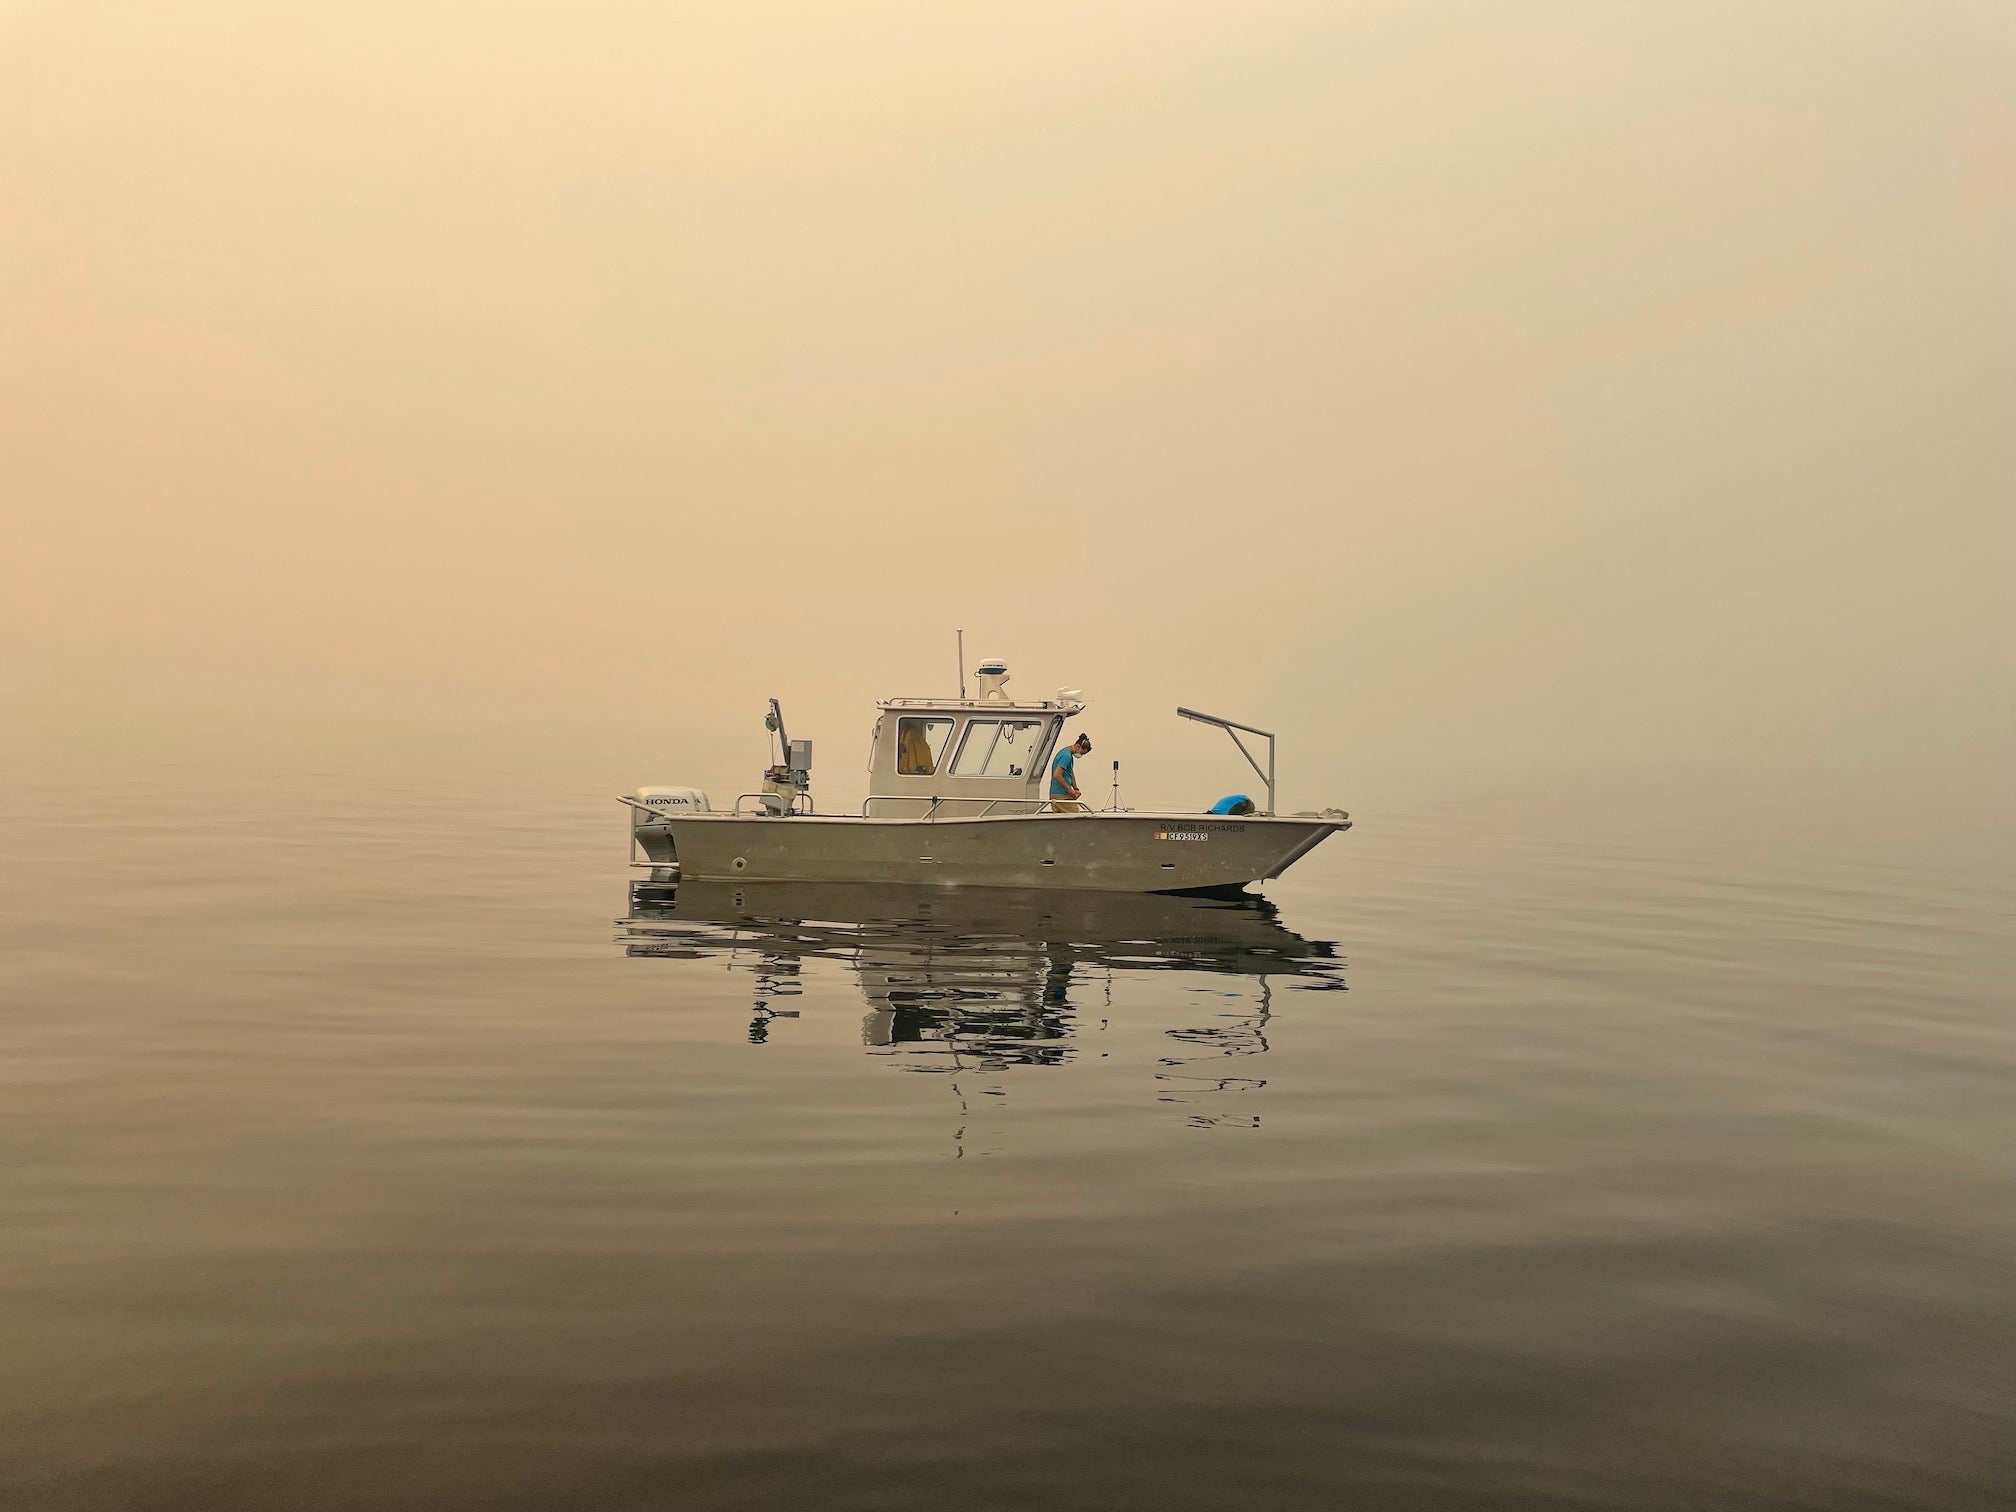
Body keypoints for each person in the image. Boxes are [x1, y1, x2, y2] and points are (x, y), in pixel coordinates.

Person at [1049, 732, 1092, 812]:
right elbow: (1057, 775)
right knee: (1075, 816)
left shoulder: (1066, 754)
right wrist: (1070, 791)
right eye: (1082, 753)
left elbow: (1070, 773)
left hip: (1060, 793)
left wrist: (1075, 788)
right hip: (1061, 794)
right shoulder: (1066, 756)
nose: (1081, 755)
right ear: (1078, 746)